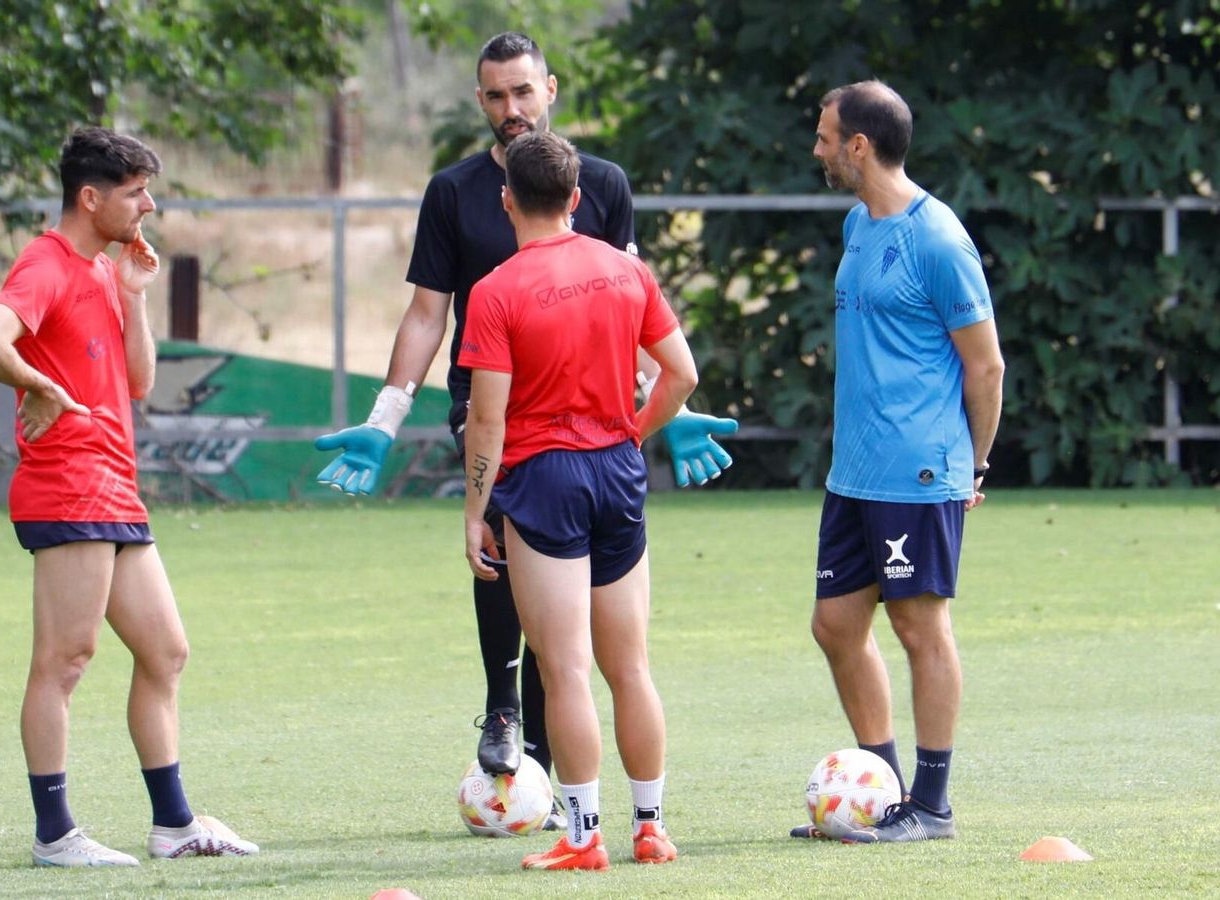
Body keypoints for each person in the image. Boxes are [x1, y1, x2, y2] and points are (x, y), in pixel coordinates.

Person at [311, 31, 737, 818]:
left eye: (522, 92)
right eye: (496, 96)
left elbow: (629, 304)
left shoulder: (596, 192)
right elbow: (427, 312)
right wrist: (387, 412)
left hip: (536, 439)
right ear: (482, 103)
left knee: (559, 640)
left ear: (550, 90)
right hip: (553, 436)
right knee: (591, 641)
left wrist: (655, 414)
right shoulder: (453, 192)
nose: (511, 109)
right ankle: (539, 738)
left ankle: (568, 800)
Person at [0, 126, 258, 867]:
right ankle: (55, 836)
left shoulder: (100, 270)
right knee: (64, 661)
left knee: (166, 652)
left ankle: (173, 824)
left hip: (114, 488)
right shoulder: (45, 264)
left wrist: (134, 296)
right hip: (66, 485)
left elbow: (138, 383)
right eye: (135, 194)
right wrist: (37, 384)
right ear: (90, 198)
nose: (149, 206)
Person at [458, 129, 697, 871]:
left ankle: (585, 836)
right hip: (618, 472)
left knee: (563, 669)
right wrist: (632, 432)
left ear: (506, 202)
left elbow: (487, 417)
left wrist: (475, 511)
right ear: (574, 199)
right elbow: (680, 375)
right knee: (631, 667)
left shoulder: (496, 291)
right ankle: (650, 826)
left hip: (545, 482)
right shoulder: (626, 271)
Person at [790, 80, 1005, 843]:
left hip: (917, 470)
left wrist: (970, 467)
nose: (815, 149)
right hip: (853, 471)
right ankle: (880, 795)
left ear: (859, 146)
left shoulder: (938, 238)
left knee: (920, 629)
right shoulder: (857, 225)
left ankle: (934, 806)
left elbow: (986, 368)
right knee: (836, 625)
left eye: (824, 137)